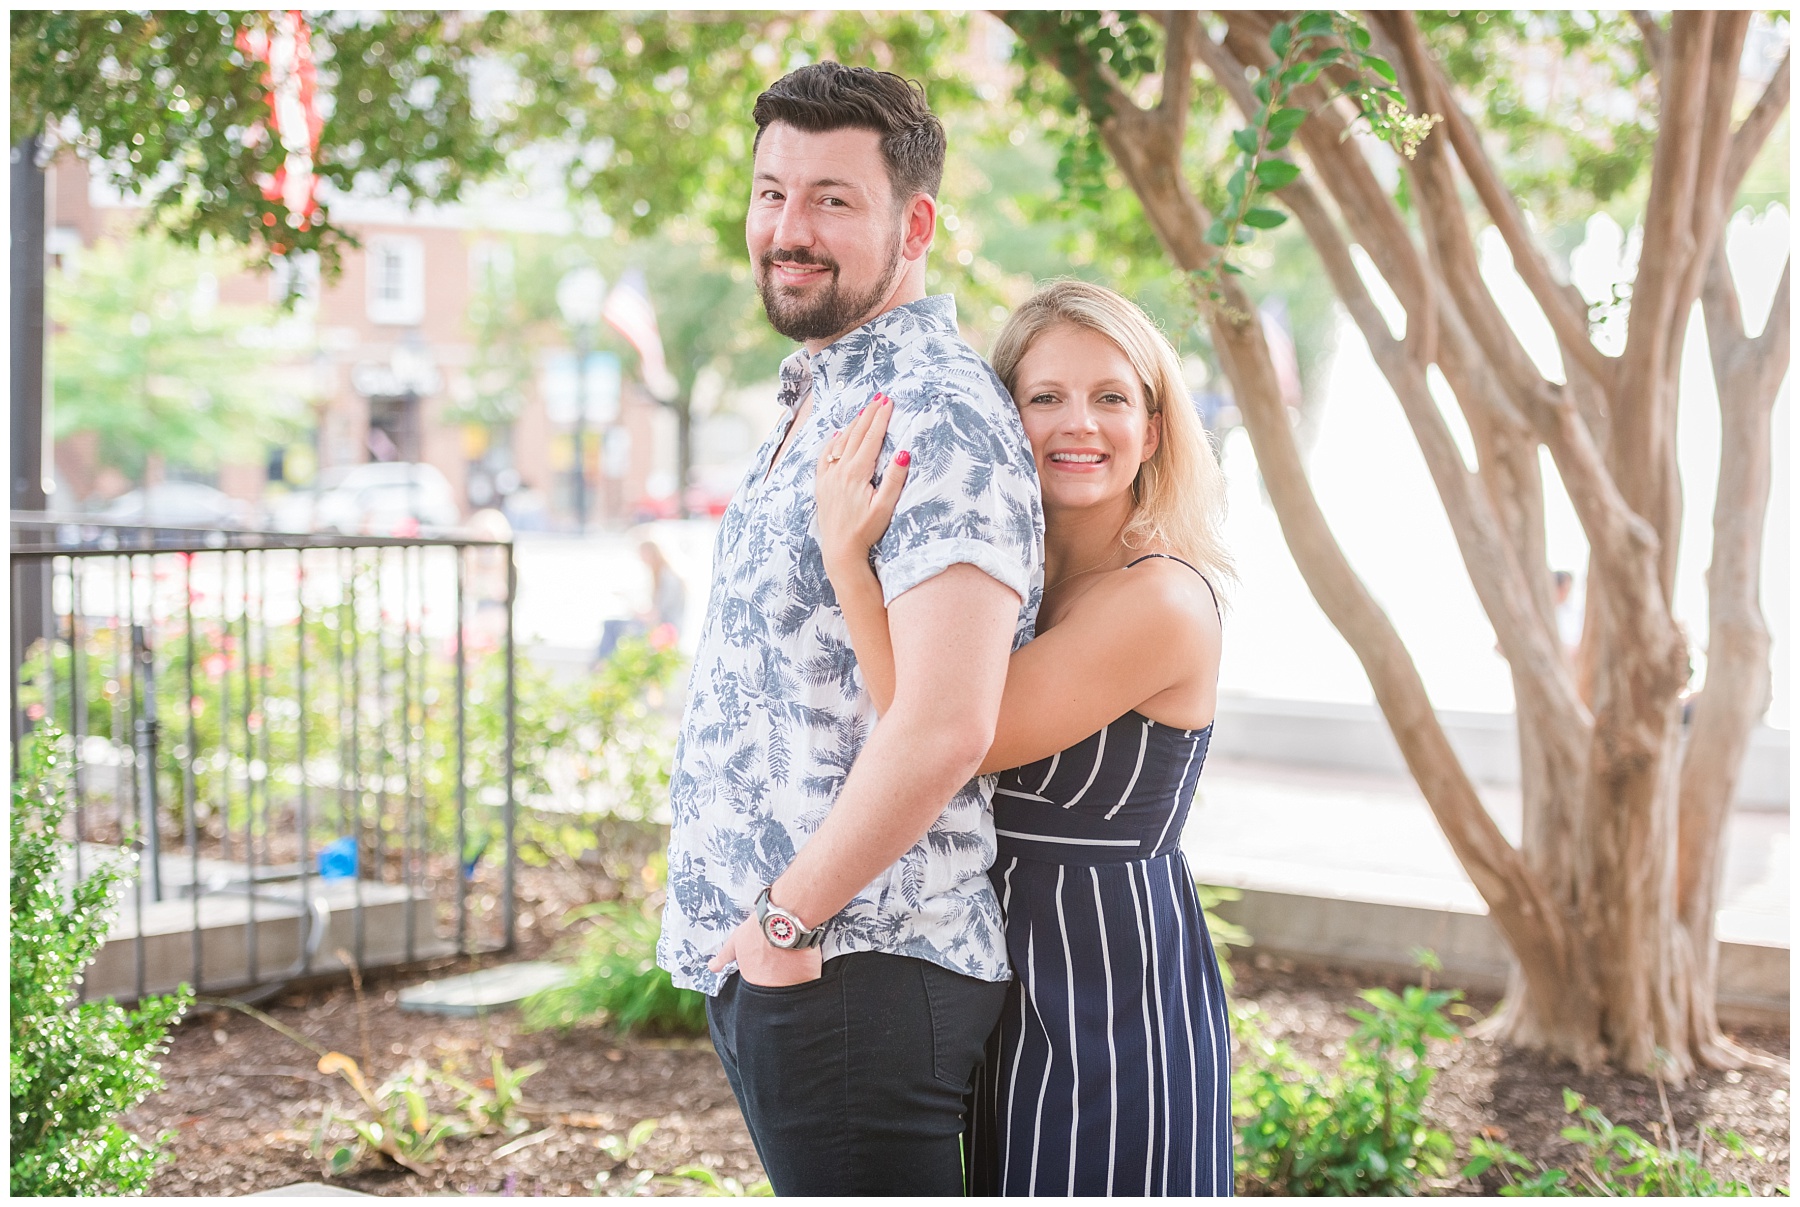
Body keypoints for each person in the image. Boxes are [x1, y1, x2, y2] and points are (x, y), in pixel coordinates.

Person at [655, 62, 1045, 1196]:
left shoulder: (939, 412)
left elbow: (947, 722)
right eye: (772, 193)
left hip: (856, 959)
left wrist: (785, 922)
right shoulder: (826, 394)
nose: (789, 229)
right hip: (801, 961)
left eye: (832, 199)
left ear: (915, 226)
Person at [815, 279, 1235, 1195]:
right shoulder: (1017, 588)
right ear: (1006, 419)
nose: (1078, 422)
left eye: (1110, 396)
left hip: (1108, 987)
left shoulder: (1160, 599)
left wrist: (848, 564)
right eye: (1045, 396)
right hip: (998, 968)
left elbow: (944, 732)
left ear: (1153, 429)